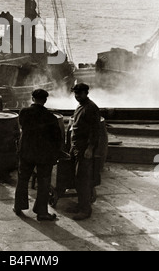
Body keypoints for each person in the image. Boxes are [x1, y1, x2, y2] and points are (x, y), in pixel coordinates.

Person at [14, 89, 61, 221]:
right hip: (43, 155)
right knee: (44, 182)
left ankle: (18, 206)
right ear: (45, 100)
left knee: (23, 179)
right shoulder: (50, 117)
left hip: (26, 152)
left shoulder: (24, 112)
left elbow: (22, 126)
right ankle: (41, 212)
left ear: (32, 98)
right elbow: (57, 138)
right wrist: (56, 154)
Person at [68, 83, 100, 221]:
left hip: (84, 148)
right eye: (75, 94)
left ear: (86, 93)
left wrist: (90, 148)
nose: (77, 96)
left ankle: (85, 210)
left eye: (79, 94)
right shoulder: (81, 105)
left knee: (83, 179)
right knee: (77, 177)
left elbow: (95, 131)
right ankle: (80, 204)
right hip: (77, 147)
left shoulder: (91, 108)